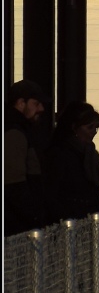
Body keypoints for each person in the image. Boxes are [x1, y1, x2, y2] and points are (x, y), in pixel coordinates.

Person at [41, 102, 99, 223]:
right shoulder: (60, 154)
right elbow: (51, 192)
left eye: (95, 127)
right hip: (71, 221)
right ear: (74, 128)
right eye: (90, 127)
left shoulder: (89, 153)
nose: (94, 132)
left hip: (86, 219)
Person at [5, 79, 49, 234]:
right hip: (18, 225)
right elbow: (14, 185)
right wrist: (34, 217)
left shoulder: (17, 129)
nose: (41, 109)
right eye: (36, 103)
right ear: (20, 103)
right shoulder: (15, 133)